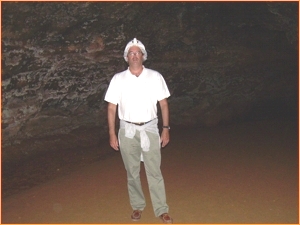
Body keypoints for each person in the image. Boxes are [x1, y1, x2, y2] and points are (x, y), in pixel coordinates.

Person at [104, 38, 173, 224]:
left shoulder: (155, 76)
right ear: (126, 57)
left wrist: (165, 129)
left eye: (138, 52)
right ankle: (137, 206)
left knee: (154, 171)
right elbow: (111, 108)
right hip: (126, 130)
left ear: (143, 56)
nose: (134, 56)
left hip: (150, 128)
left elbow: (164, 104)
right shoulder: (118, 79)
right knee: (132, 171)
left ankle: (161, 209)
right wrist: (112, 133)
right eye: (131, 53)